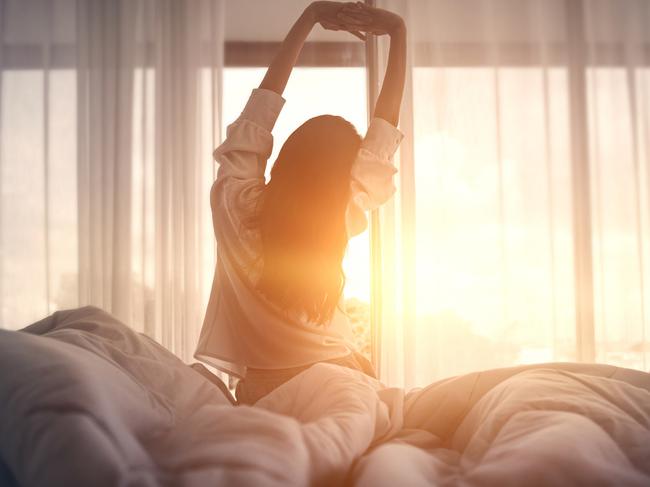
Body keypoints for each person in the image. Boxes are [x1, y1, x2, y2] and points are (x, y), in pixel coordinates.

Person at [194, 1, 406, 405]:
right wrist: (397, 32)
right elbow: (384, 130)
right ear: (342, 176)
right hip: (342, 375)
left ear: (286, 157)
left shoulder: (234, 203)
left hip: (262, 388)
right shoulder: (339, 213)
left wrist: (309, 18)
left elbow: (259, 112)